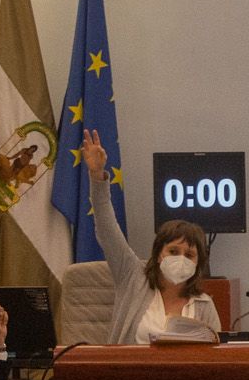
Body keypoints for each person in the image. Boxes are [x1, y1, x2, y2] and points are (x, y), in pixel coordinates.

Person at [81, 128, 221, 344]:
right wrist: (97, 175)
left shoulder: (204, 305)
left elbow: (217, 357)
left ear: (198, 263)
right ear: (158, 254)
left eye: (189, 255)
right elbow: (107, 229)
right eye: (173, 251)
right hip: (129, 366)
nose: (180, 258)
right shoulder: (132, 277)